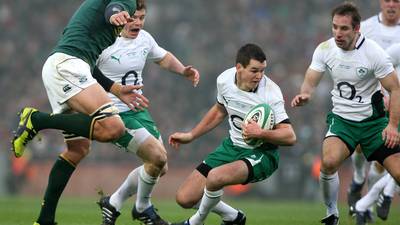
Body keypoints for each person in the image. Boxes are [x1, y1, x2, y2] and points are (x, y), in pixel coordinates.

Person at [11, 1, 150, 225]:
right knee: (114, 128)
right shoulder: (125, 3)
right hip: (69, 66)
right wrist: (117, 14)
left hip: (66, 66)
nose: (136, 19)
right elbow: (113, 8)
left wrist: (115, 88)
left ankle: (44, 220)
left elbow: (90, 54)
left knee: (78, 149)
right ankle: (36, 119)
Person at [291, 2, 400, 225]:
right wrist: (305, 94)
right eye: (335, 27)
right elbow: (311, 79)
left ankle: (368, 193)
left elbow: (395, 88)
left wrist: (392, 125)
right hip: (342, 121)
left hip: (374, 124)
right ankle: (332, 213)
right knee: (328, 162)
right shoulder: (325, 49)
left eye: (344, 29)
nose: (338, 33)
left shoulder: (374, 53)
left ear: (356, 29)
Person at [168, 43, 296, 225]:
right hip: (231, 147)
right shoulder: (224, 80)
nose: (259, 76)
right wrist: (191, 135)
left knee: (215, 177)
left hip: (262, 154)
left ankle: (194, 223)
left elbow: (290, 136)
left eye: (262, 70)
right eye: (254, 70)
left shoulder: (271, 93)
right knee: (184, 197)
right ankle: (233, 217)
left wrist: (261, 133)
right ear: (239, 68)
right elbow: (219, 111)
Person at [95, 4, 200, 225]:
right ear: (121, 17)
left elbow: (163, 57)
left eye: (142, 18)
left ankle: (113, 202)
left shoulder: (144, 38)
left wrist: (183, 70)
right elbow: (86, 72)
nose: (138, 23)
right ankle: (143, 208)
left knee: (160, 167)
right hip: (114, 114)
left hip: (138, 111)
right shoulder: (104, 42)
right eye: (133, 18)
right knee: (157, 158)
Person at [347, 0, 400, 214]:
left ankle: (372, 199)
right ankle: (359, 179)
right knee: (359, 146)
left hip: (395, 98)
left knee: (383, 154)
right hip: (367, 94)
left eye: (396, 0)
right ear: (381, 2)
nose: (391, 4)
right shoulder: (367, 27)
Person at [352, 42, 400, 224]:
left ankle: (368, 203)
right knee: (384, 162)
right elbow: (378, 69)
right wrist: (383, 96)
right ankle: (376, 197)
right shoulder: (396, 50)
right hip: (394, 108)